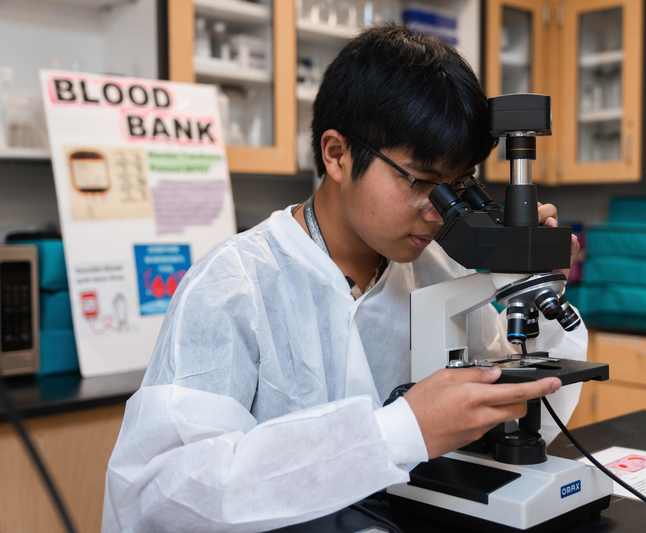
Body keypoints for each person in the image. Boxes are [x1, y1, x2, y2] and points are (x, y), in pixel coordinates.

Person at [102, 25, 586, 532]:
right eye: (421, 181)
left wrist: (541, 286)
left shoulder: (438, 275)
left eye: (456, 187)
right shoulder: (234, 285)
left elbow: (514, 418)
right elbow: (167, 496)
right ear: (336, 154)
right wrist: (399, 431)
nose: (437, 212)